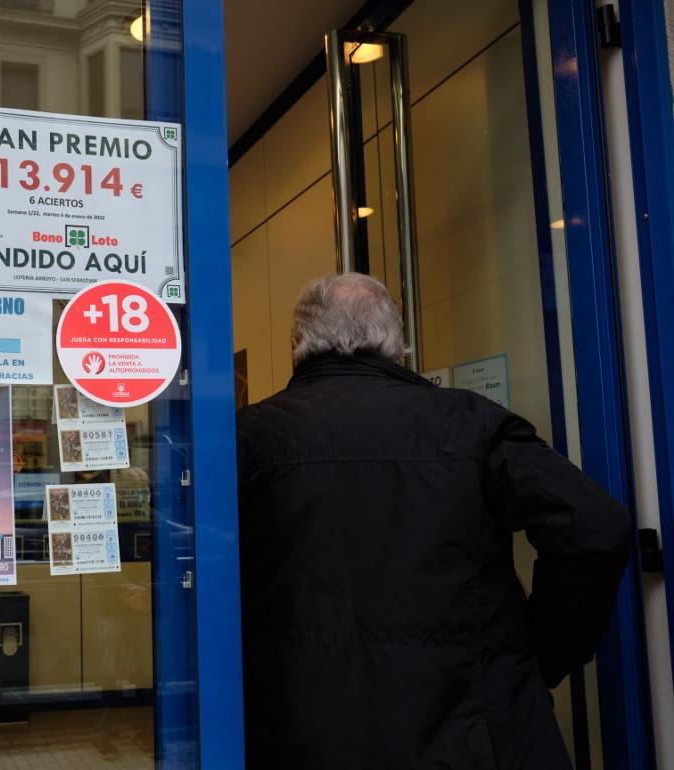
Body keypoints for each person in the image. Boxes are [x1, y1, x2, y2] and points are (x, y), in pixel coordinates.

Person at [236, 273, 632, 768]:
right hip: (471, 729)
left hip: (300, 729)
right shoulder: (471, 422)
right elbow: (595, 527)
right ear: (398, 343)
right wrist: (541, 653)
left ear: (296, 345)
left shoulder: (249, 437)